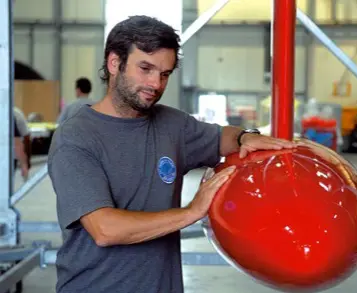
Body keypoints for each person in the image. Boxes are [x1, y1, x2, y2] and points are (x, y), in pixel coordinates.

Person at [47, 15, 297, 293]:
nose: (156, 84)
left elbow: (220, 137)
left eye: (164, 74)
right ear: (114, 63)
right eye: (145, 68)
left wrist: (244, 137)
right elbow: (105, 229)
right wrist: (192, 211)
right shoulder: (76, 137)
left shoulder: (172, 125)